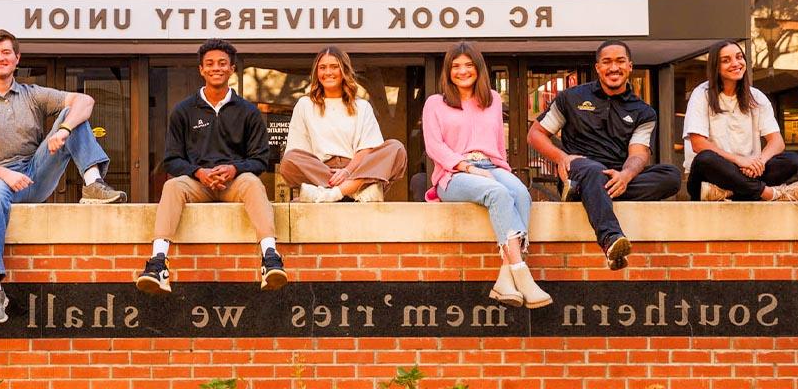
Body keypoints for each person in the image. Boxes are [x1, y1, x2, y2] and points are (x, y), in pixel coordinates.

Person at [0, 29, 127, 328]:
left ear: (17, 58)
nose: (0, 58)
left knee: (73, 114)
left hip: (35, 173)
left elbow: (85, 100)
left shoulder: (32, 94)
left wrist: (64, 130)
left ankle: (93, 182)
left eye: (6, 52)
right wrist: (5, 174)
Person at [137, 39, 286, 295]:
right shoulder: (183, 110)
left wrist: (234, 169)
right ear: (201, 70)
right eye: (210, 64)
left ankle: (270, 257)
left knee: (253, 182)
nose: (216, 68)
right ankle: (158, 263)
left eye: (222, 63)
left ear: (231, 69)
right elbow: (172, 159)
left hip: (234, 183)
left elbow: (260, 159)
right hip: (197, 184)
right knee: (172, 185)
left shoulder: (248, 111)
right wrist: (198, 172)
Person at [527, 39, 681, 271]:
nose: (613, 68)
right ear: (598, 67)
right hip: (579, 169)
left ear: (630, 66)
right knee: (591, 170)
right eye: (606, 62)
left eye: (620, 61)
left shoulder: (644, 112)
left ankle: (594, 195)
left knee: (671, 175)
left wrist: (626, 176)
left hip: (617, 175)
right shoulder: (571, 97)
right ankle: (610, 239)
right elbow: (535, 134)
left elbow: (638, 153)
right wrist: (561, 158)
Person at [423, 42, 552, 309]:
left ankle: (505, 278)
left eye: (468, 65)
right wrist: (468, 168)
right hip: (454, 174)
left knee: (520, 193)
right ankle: (520, 271)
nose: (462, 71)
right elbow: (435, 147)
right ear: (448, 71)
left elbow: (497, 144)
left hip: (491, 166)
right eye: (456, 66)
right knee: (498, 193)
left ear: (478, 69)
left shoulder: (491, 100)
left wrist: (502, 171)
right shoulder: (435, 103)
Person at [279, 47, 406, 203]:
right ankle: (355, 191)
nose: (328, 72)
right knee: (289, 161)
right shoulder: (305, 105)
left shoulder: (362, 106)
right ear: (316, 73)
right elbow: (297, 149)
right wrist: (329, 173)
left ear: (344, 70)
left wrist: (347, 171)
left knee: (396, 148)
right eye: (322, 67)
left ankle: (333, 193)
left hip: (357, 168)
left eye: (334, 66)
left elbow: (367, 149)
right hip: (319, 170)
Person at [684, 40, 798, 201]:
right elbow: (698, 144)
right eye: (726, 60)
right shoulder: (701, 94)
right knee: (705, 158)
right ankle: (769, 193)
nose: (736, 63)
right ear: (716, 67)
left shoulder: (757, 97)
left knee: (792, 160)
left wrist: (759, 161)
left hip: (749, 171)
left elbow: (777, 141)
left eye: (739, 57)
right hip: (711, 174)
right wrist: (740, 161)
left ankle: (726, 192)